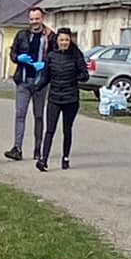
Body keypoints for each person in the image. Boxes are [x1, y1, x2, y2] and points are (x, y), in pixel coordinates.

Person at [35, 26, 89, 172]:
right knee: (50, 129)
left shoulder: (76, 55)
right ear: (57, 41)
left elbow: (85, 75)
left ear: (70, 40)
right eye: (61, 40)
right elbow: (45, 77)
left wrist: (74, 78)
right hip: (54, 98)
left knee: (67, 129)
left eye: (66, 40)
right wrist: (37, 87)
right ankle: (43, 160)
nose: (64, 42)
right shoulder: (51, 56)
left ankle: (65, 157)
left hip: (71, 99)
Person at [4, 8, 55, 162]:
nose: (34, 22)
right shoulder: (22, 35)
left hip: (40, 83)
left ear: (42, 18)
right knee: (20, 115)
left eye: (37, 19)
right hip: (23, 81)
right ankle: (17, 148)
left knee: (38, 116)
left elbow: (55, 57)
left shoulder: (50, 37)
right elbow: (12, 53)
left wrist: (45, 64)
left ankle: (38, 150)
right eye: (32, 19)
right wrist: (18, 58)